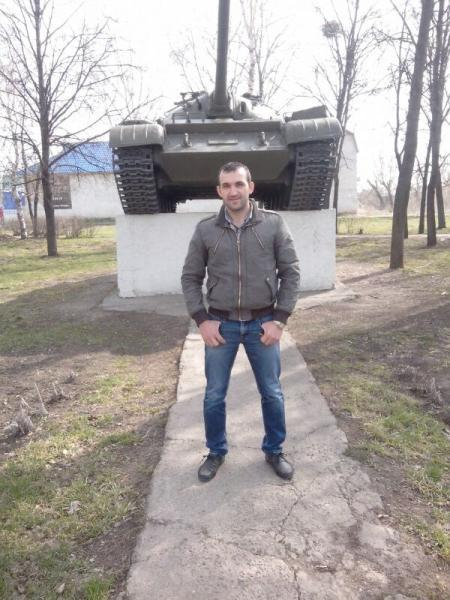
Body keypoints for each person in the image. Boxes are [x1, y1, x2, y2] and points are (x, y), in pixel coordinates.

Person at [181, 161, 300, 483]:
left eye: (239, 184)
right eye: (226, 185)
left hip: (263, 324)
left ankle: (274, 450)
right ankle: (216, 451)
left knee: (272, 393)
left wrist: (279, 320)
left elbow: (291, 273)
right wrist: (202, 320)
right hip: (221, 326)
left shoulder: (273, 224)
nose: (233, 191)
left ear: (251, 187)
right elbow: (190, 277)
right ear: (219, 191)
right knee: (214, 395)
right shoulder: (206, 230)